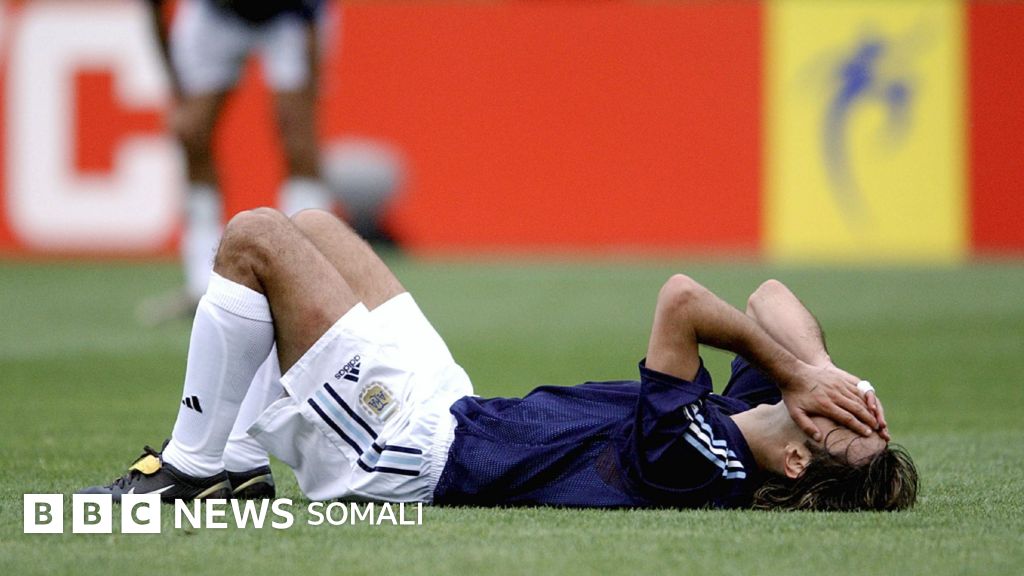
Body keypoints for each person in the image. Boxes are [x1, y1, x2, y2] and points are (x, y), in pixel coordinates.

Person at [81, 209, 918, 510]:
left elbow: (681, 300)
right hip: (455, 406)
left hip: (409, 455)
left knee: (255, 239)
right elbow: (771, 297)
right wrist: (822, 369)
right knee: (318, 227)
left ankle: (190, 469)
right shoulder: (754, 410)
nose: (845, 403)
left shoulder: (704, 460)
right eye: (859, 404)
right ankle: (237, 462)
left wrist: (802, 376)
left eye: (844, 424)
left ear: (798, 459)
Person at [138, 0, 335, 324]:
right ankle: (202, 284)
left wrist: (311, 87)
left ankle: (306, 281)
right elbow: (154, 9)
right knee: (192, 131)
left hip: (288, 18)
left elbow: (311, 14)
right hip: (216, 16)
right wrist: (176, 88)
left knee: (298, 138)